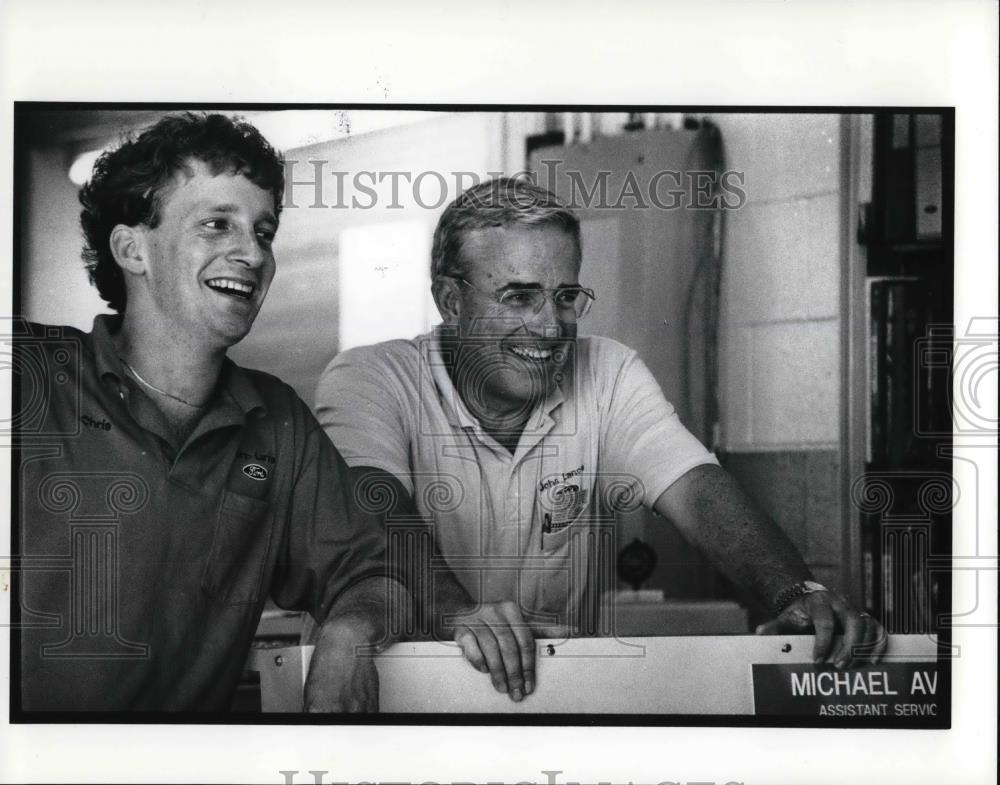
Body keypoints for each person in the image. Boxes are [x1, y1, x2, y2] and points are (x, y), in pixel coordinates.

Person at [314, 176, 887, 704]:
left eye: (564, 297)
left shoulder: (607, 371)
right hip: (403, 702)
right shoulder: (370, 378)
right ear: (451, 300)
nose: (548, 327)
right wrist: (458, 611)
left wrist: (796, 591)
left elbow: (698, 491)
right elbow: (374, 513)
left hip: (551, 699)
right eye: (518, 297)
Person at [15, 113, 408, 712]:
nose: (251, 252)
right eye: (216, 224)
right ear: (132, 249)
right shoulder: (29, 379)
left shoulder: (276, 423)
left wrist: (351, 631)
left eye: (264, 231)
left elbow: (377, 571)